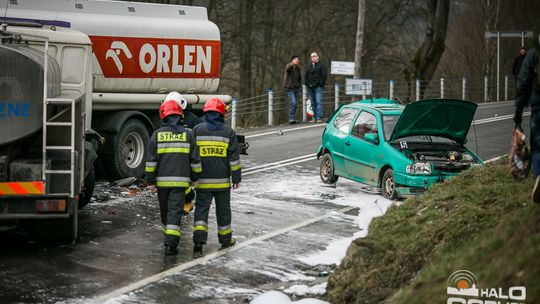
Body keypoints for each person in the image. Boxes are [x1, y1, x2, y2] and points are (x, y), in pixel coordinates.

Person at [145, 100, 201, 255]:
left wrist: (150, 182)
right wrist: (195, 178)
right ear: (180, 116)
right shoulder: (188, 135)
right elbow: (195, 160)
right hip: (180, 183)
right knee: (174, 212)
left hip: (162, 184)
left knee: (165, 212)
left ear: (163, 116)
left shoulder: (157, 135)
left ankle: (169, 240)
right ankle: (171, 242)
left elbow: (151, 162)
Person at [192, 97, 241, 257]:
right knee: (224, 211)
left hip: (202, 182)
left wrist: (191, 176)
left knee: (201, 211)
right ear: (221, 114)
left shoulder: (197, 130)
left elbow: (192, 156)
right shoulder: (228, 132)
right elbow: (234, 159)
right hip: (222, 184)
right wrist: (236, 178)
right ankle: (225, 239)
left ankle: (198, 242)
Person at [514, 36, 540, 203]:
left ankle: (539, 175)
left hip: (539, 104)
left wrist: (518, 111)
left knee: (538, 145)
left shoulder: (534, 54)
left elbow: (523, 82)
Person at [304, 52, 327, 123]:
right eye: (311, 57)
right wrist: (308, 84)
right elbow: (306, 77)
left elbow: (324, 76)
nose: (313, 58)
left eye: (314, 56)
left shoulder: (322, 66)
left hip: (318, 88)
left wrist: (319, 84)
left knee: (318, 102)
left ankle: (319, 117)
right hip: (310, 88)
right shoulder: (309, 66)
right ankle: (314, 117)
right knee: (313, 103)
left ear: (318, 57)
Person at [283, 54, 302, 124]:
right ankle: (291, 118)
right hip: (289, 88)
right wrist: (292, 64)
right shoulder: (289, 66)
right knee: (293, 102)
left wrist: (300, 86)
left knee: (295, 104)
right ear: (292, 60)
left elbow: (299, 78)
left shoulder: (298, 68)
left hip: (296, 88)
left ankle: (293, 118)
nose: (297, 60)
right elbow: (287, 69)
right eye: (295, 59)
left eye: (298, 59)